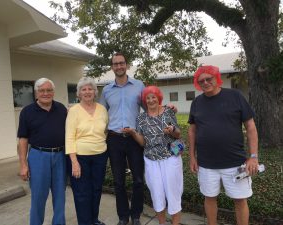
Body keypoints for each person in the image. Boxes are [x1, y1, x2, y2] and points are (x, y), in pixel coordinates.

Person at [188, 65, 259, 225]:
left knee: (240, 200)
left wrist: (253, 157)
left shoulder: (235, 96)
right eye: (201, 81)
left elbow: (251, 127)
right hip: (206, 164)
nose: (205, 82)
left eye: (209, 79)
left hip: (235, 163)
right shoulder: (197, 102)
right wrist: (192, 157)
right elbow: (192, 131)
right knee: (209, 198)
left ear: (217, 78)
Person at [123, 86, 183, 225]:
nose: (150, 100)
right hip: (151, 160)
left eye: (153, 97)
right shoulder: (141, 118)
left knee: (173, 193)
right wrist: (133, 133)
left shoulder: (168, 111)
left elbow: (178, 133)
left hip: (171, 157)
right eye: (148, 98)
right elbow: (143, 142)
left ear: (158, 98)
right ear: (144, 101)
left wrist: (172, 130)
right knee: (157, 194)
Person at [99, 52, 145, 225]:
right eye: (115, 64)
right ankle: (123, 216)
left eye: (121, 63)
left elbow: (150, 108)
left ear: (127, 65)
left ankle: (136, 215)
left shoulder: (139, 85)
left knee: (138, 180)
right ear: (112, 67)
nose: (119, 66)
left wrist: (168, 110)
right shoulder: (106, 90)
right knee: (119, 181)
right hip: (114, 139)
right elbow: (100, 115)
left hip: (134, 138)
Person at [17, 78, 67, 225]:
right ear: (36, 93)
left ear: (53, 92)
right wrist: (23, 165)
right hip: (38, 157)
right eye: (42, 90)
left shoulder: (62, 109)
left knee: (60, 197)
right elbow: (23, 139)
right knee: (38, 197)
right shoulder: (27, 112)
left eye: (49, 90)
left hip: (60, 157)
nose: (46, 93)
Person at [65, 77, 108, 225]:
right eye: (84, 89)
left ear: (95, 92)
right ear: (78, 93)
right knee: (82, 193)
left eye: (90, 89)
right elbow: (69, 137)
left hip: (100, 156)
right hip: (79, 157)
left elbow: (106, 131)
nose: (87, 92)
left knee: (96, 190)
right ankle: (85, 222)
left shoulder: (102, 109)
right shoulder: (73, 111)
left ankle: (94, 219)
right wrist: (74, 162)